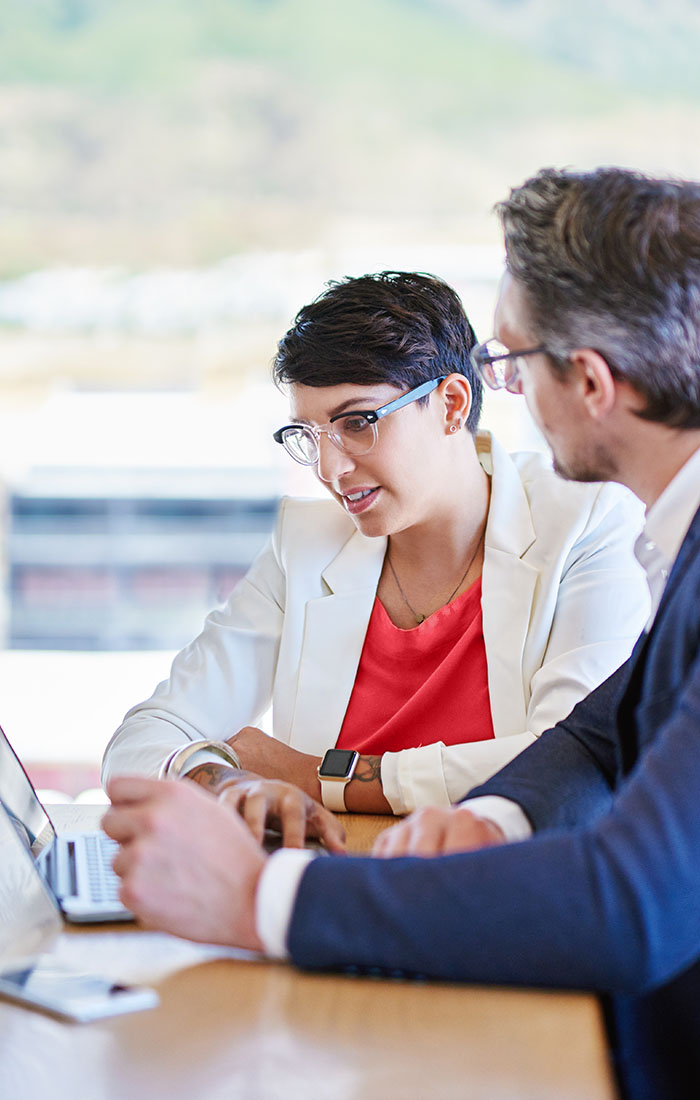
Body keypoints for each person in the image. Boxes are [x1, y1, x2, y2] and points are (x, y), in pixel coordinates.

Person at [104, 167, 700, 1100]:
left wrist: (263, 896)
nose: (505, 384)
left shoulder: (613, 532)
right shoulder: (684, 546)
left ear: (586, 381)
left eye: (511, 361)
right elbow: (595, 735)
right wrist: (490, 816)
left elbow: (631, 900)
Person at [102, 271, 646, 843]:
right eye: (310, 434)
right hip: (324, 894)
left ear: (452, 404)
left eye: (358, 423)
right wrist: (218, 781)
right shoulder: (305, 543)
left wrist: (319, 778)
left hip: (500, 896)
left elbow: (572, 761)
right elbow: (146, 734)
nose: (331, 471)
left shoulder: (587, 520)